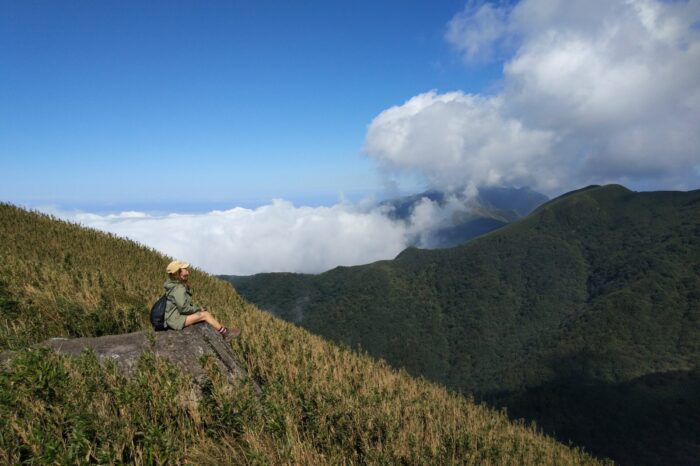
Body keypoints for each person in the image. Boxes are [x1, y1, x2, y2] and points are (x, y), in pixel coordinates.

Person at [163, 260, 241, 341]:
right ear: (178, 273)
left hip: (174, 317)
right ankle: (225, 333)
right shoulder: (179, 288)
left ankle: (223, 331)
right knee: (205, 315)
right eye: (184, 269)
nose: (187, 271)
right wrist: (199, 309)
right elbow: (183, 308)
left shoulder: (173, 284)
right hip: (175, 321)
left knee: (202, 313)